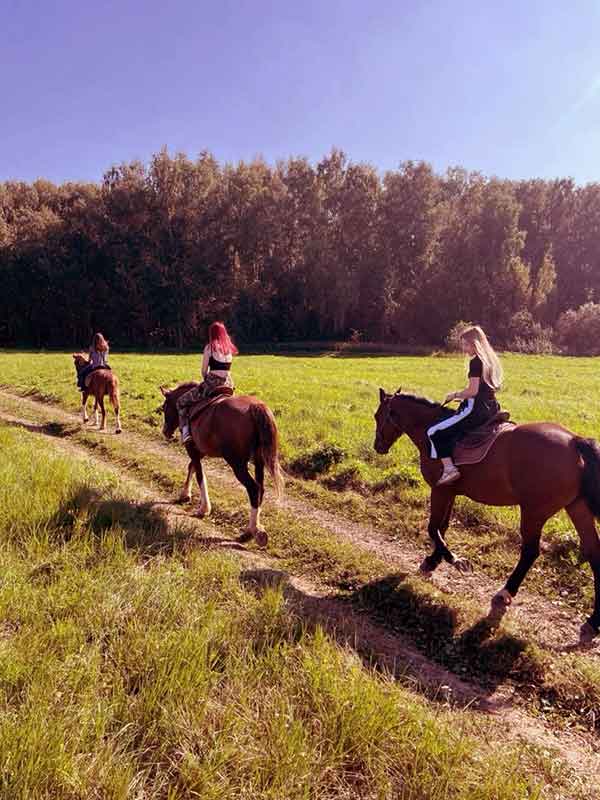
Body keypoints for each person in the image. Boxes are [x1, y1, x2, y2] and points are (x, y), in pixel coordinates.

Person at [427, 325, 502, 486]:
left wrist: (454, 394)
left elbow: (473, 391)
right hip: (491, 407)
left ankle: (449, 469)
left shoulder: (475, 362)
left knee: (434, 431)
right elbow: (484, 389)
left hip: (475, 410)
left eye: (466, 345)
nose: (463, 348)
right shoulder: (489, 361)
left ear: (475, 344)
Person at [177, 322, 238, 444]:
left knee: (181, 402)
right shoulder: (229, 350)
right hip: (227, 384)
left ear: (212, 334)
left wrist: (206, 381)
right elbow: (227, 370)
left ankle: (185, 432)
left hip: (212, 384)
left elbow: (204, 371)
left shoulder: (210, 348)